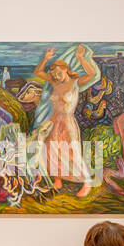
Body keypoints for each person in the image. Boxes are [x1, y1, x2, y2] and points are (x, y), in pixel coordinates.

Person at [28, 45, 99, 197]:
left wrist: (81, 58)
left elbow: (92, 74)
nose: (56, 76)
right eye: (54, 74)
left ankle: (87, 182)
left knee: (73, 152)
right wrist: (45, 59)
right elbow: (38, 72)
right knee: (52, 151)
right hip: (54, 121)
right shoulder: (55, 82)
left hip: (67, 122)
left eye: (59, 73)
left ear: (66, 69)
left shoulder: (75, 82)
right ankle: (58, 179)